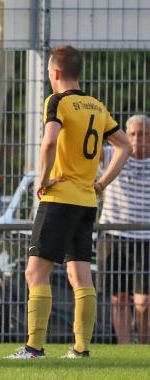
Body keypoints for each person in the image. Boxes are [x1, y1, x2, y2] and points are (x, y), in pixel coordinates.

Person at [6, 45, 131, 359]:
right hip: (87, 201)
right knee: (80, 275)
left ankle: (34, 348)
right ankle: (80, 349)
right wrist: (101, 183)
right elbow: (124, 146)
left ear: (56, 73)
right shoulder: (96, 106)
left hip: (60, 198)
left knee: (35, 273)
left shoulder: (57, 101)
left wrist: (43, 179)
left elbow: (49, 141)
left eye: (49, 72)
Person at [97, 114, 150, 344]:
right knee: (118, 298)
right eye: (133, 134)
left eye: (144, 134)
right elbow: (88, 148)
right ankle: (125, 349)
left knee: (144, 302)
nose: (138, 139)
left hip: (146, 237)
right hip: (114, 235)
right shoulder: (111, 155)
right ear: (126, 136)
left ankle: (144, 349)